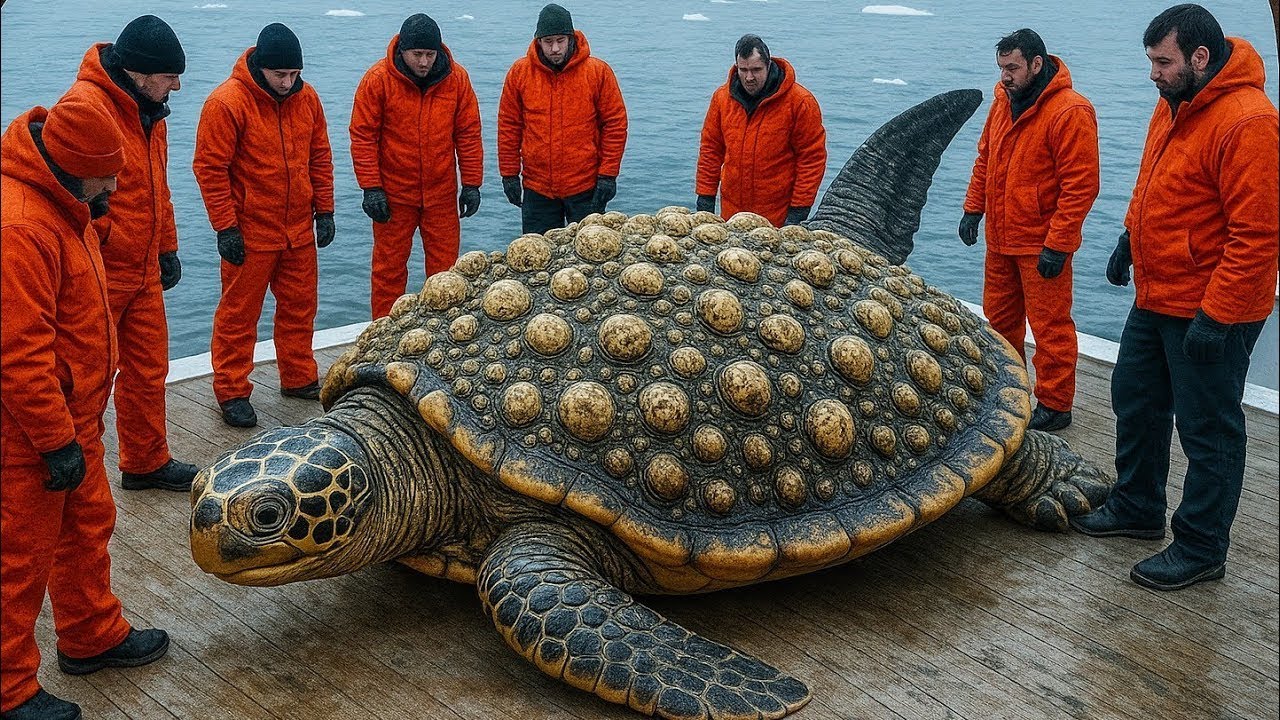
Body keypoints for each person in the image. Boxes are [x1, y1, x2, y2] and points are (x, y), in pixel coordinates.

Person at [1070, 4, 1278, 592]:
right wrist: (1128, 238)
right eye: (1152, 61)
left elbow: (1259, 235)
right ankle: (1138, 506)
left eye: (1163, 62)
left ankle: (1201, 546)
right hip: (1158, 292)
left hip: (1212, 306)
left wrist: (1219, 316)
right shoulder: (1175, 102)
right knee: (1135, 396)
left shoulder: (1249, 122)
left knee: (1208, 428)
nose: (1153, 73)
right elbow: (1155, 182)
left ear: (1200, 58)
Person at [2, 97, 171, 720]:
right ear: (75, 167)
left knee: (86, 526)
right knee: (17, 558)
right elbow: (18, 356)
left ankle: (90, 634)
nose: (116, 188)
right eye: (108, 176)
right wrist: (54, 441)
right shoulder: (22, 229)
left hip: (75, 415)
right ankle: (9, 690)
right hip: (27, 433)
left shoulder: (69, 208)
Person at [58, 15, 198, 492]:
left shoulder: (149, 110)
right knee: (89, 380)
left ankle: (144, 461)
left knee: (148, 369)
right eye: (170, 76)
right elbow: (72, 195)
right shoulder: (85, 108)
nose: (177, 86)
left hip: (143, 269)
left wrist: (167, 246)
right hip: (100, 271)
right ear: (140, 73)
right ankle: (77, 478)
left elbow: (158, 187)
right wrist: (106, 243)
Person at [193, 23, 335, 428]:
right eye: (280, 75)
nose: (288, 83)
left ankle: (298, 375)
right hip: (250, 232)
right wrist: (225, 227)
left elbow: (320, 155)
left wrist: (325, 210)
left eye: (294, 74)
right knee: (239, 316)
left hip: (297, 229)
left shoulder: (307, 98)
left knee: (300, 307)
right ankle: (232, 390)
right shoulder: (226, 102)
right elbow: (209, 168)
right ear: (261, 68)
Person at [959, 29, 1100, 432]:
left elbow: (1081, 186)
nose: (1005, 76)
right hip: (1001, 238)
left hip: (1041, 243)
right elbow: (986, 157)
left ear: (1037, 64)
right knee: (999, 321)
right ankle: (1011, 392)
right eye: (1001, 68)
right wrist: (973, 208)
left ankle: (1055, 405)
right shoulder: (1003, 101)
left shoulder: (1071, 111)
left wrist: (1059, 245)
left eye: (1012, 68)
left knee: (1050, 327)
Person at [350, 13, 483, 318]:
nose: (424, 62)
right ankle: (384, 333)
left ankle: (444, 331)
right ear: (403, 51)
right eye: (417, 55)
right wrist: (371, 188)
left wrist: (472, 183)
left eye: (430, 55)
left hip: (441, 195)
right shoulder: (378, 80)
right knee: (388, 271)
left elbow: (468, 133)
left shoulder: (457, 79)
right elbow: (363, 136)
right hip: (394, 195)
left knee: (446, 273)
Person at [498, 3, 627, 234]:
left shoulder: (598, 72)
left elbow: (615, 124)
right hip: (537, 189)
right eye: (548, 42)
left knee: (590, 251)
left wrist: (608, 175)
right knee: (535, 253)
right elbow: (509, 126)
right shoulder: (519, 73)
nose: (555, 48)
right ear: (538, 41)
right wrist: (509, 174)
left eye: (560, 40)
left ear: (571, 38)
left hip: (586, 186)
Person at [696, 34, 827, 228]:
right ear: (736, 67)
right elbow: (711, 150)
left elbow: (811, 159)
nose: (749, 77)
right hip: (732, 216)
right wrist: (705, 199)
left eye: (756, 70)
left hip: (778, 217)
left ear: (768, 65)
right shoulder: (722, 99)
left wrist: (798, 211)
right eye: (743, 70)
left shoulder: (800, 102)